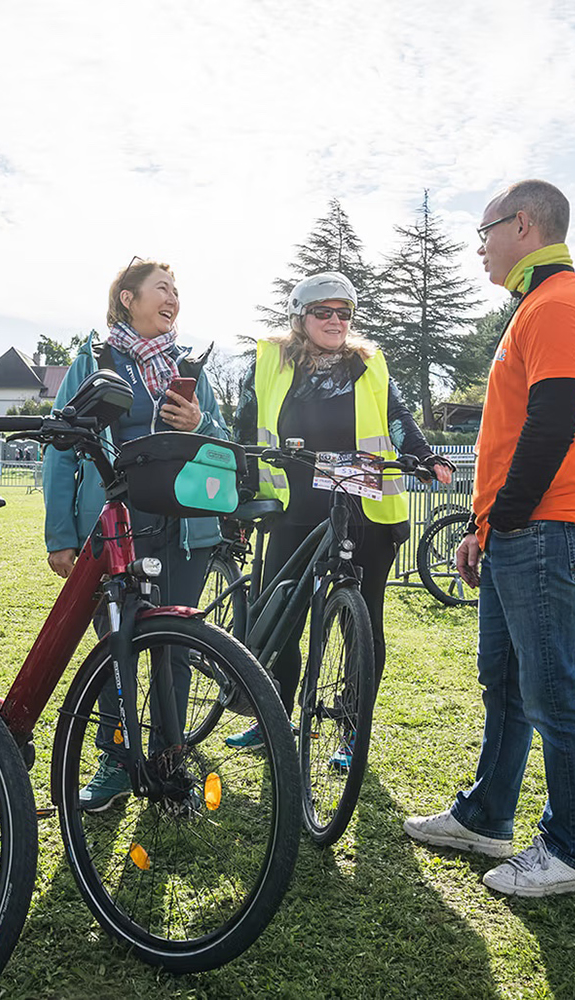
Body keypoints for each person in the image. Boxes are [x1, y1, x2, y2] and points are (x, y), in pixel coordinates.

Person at [403, 179, 575, 897]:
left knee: (552, 694)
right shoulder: (538, 305)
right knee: (508, 687)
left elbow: (551, 426)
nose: (481, 247)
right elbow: (520, 431)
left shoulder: (557, 305)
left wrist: (509, 523)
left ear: (522, 224)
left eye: (485, 231)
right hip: (522, 529)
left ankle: (571, 850)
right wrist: (485, 530)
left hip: (548, 529)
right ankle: (487, 815)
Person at [228, 271, 449, 766]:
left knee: (362, 625)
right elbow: (245, 428)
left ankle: (352, 731)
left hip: (363, 509)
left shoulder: (368, 364)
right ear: (299, 317)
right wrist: (241, 494)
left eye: (343, 313)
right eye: (323, 312)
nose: (335, 321)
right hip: (293, 509)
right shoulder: (269, 361)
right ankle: (272, 718)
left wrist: (424, 453)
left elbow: (398, 416)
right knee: (281, 615)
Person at [42, 257, 230, 811]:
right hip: (116, 532)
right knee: (113, 651)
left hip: (186, 532)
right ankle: (116, 762)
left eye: (177, 291)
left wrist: (199, 424)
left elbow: (221, 442)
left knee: (176, 649)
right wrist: (60, 534)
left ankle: (171, 769)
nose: (173, 299)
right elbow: (60, 448)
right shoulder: (93, 360)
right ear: (128, 298)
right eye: (162, 288)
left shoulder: (189, 367)